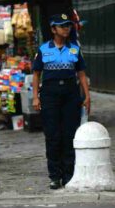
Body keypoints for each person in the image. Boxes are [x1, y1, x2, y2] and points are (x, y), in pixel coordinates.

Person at [32, 13, 90, 190]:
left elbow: (81, 74)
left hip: (71, 94)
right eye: (62, 25)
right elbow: (36, 75)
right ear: (53, 29)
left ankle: (69, 175)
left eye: (68, 25)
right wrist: (35, 96)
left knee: (69, 134)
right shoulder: (43, 49)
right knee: (53, 135)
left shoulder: (74, 49)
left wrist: (87, 95)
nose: (66, 28)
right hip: (50, 95)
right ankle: (55, 176)